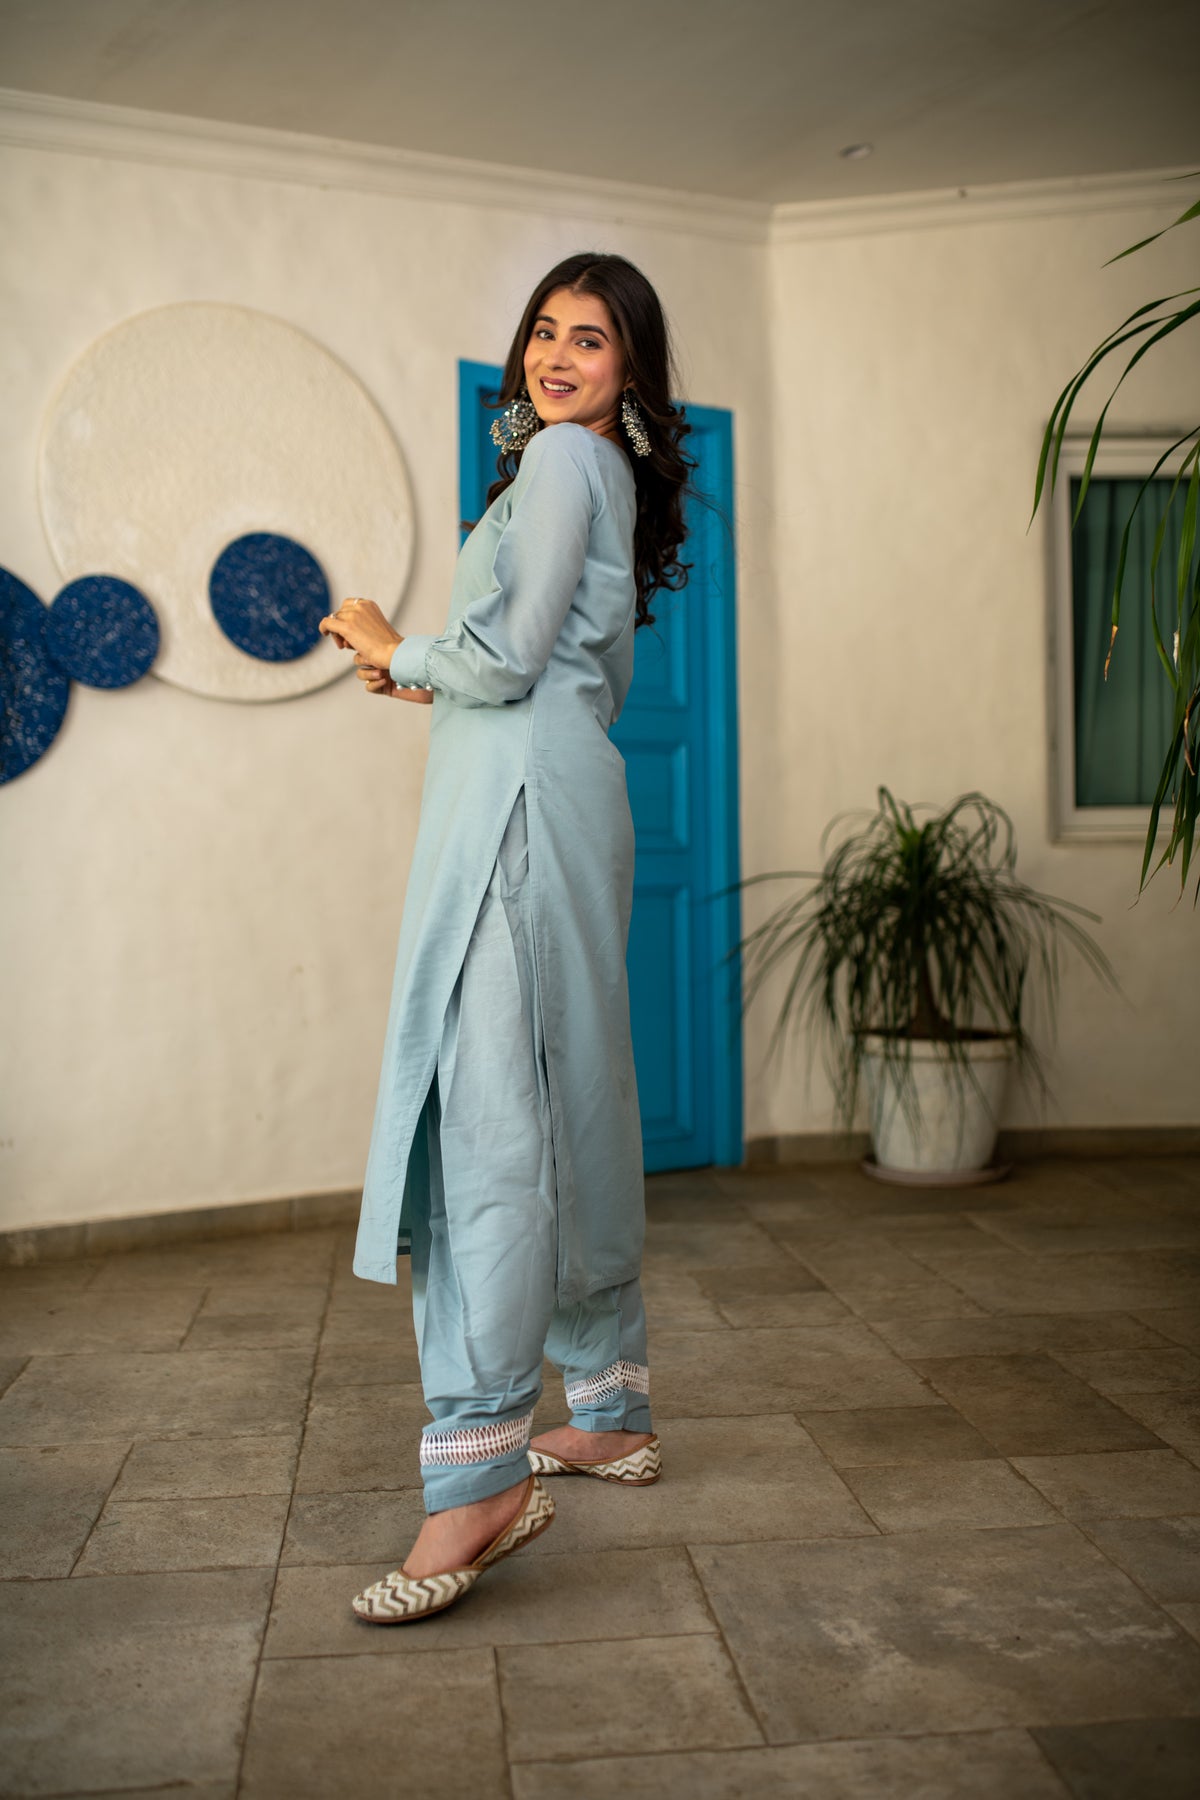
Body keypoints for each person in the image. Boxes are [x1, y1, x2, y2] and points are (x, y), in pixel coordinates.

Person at [318, 251, 694, 1624]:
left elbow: (510, 659)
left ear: (630, 369)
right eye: (544, 329)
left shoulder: (561, 462)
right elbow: (558, 669)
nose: (556, 354)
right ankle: (607, 1408)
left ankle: (478, 1477)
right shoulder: (598, 473)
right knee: (571, 1093)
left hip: (521, 815)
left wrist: (395, 642)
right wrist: (427, 675)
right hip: (561, 795)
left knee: (491, 1122)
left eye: (590, 338)